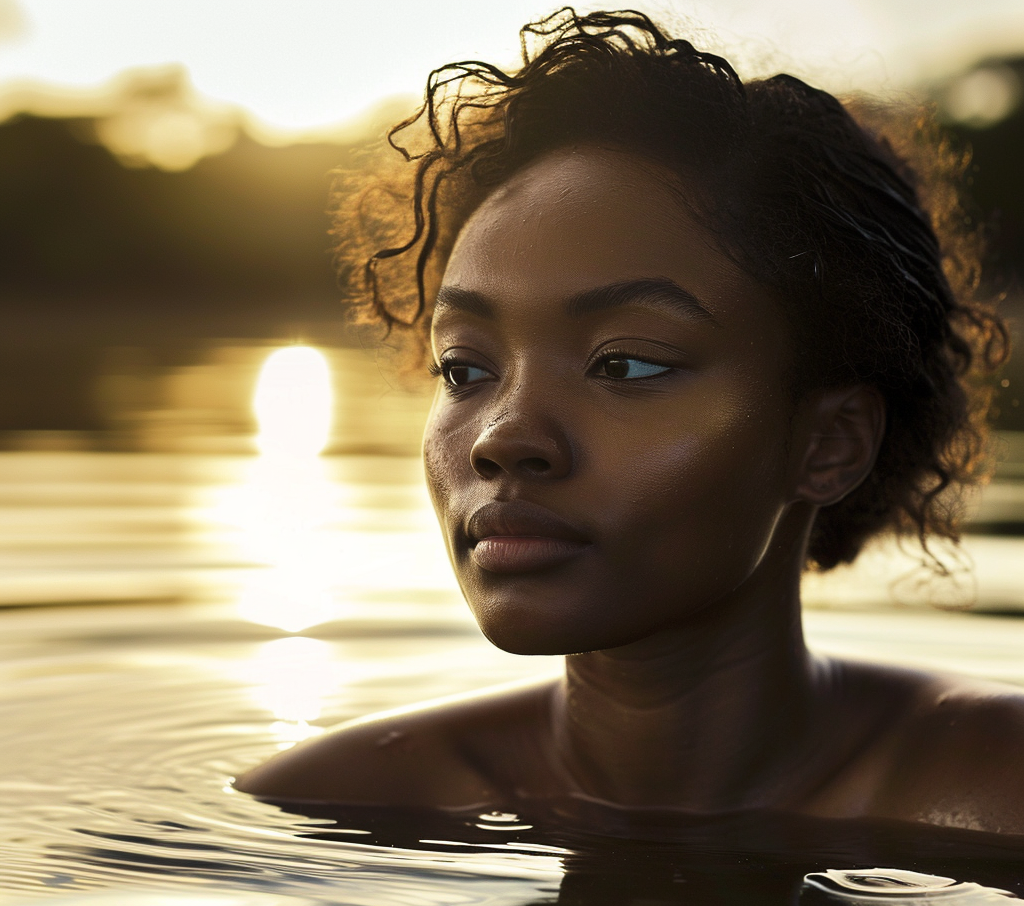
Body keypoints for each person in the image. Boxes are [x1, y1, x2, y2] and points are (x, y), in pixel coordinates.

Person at [236, 9, 1017, 833]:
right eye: (465, 370)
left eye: (626, 364)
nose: (504, 438)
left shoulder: (999, 795)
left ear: (830, 443)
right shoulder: (338, 810)